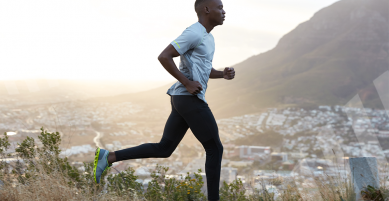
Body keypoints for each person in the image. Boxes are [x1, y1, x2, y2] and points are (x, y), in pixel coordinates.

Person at [93, 0, 234, 200]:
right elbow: (164, 56)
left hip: (182, 99)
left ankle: (110, 157)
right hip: (188, 98)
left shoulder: (208, 38)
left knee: (164, 148)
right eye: (219, 7)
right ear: (206, 9)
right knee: (215, 148)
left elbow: (204, 68)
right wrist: (186, 82)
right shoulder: (194, 32)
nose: (224, 11)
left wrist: (222, 74)